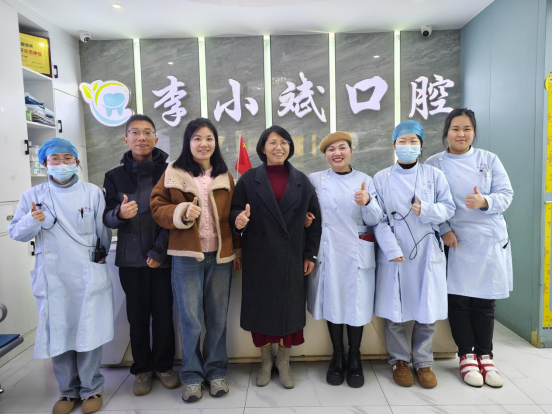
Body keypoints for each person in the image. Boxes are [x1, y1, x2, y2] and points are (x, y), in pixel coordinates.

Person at [8, 138, 113, 414]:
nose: (62, 163)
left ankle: (92, 389)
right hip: (53, 276)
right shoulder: (33, 195)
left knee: (88, 330)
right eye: (55, 158)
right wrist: (32, 220)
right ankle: (67, 392)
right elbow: (16, 233)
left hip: (85, 272)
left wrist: (100, 258)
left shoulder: (92, 193)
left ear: (77, 162)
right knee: (59, 331)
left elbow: (102, 231)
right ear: (45, 163)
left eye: (68, 158)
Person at [150, 118, 241, 403]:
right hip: (187, 257)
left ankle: (216, 371)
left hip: (220, 257)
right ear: (188, 142)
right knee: (190, 319)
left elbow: (234, 214)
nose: (204, 144)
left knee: (217, 317)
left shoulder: (225, 175)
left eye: (209, 138)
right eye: (197, 138)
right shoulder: (173, 172)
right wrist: (180, 212)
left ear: (216, 142)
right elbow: (156, 206)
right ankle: (191, 376)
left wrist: (237, 250)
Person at [426, 108, 513, 388]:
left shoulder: (489, 159)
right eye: (455, 129)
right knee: (459, 300)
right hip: (455, 240)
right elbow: (430, 203)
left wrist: (484, 201)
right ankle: (466, 356)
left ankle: (486, 356)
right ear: (446, 132)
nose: (461, 134)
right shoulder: (434, 163)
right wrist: (445, 229)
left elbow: (506, 194)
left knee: (485, 301)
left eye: (467, 129)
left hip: (487, 238)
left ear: (474, 132)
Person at [230, 125, 322, 389]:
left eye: (284, 142)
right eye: (272, 142)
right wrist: (239, 219)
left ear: (290, 147)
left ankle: (283, 361)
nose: (278, 147)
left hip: (292, 256)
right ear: (262, 148)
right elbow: (234, 210)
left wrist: (310, 254)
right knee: (261, 311)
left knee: (289, 312)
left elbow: (315, 219)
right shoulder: (249, 179)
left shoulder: (301, 180)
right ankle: (265, 361)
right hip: (259, 256)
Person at [373, 120, 455, 389]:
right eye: (402, 141)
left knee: (426, 307)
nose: (408, 146)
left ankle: (423, 361)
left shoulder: (434, 175)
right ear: (394, 145)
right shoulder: (381, 178)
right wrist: (390, 248)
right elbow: (378, 219)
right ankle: (399, 360)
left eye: (413, 141)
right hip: (395, 251)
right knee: (394, 310)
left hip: (426, 250)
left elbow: (449, 208)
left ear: (421, 145)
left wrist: (427, 210)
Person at [103, 114, 179, 396]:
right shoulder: (114, 176)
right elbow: (107, 217)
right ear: (126, 139)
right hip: (130, 259)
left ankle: (164, 366)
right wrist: (119, 213)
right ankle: (142, 369)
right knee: (136, 317)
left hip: (164, 256)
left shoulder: (171, 173)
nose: (141, 138)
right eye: (135, 132)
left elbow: (174, 215)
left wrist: (159, 250)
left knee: (163, 315)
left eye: (147, 132)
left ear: (156, 139)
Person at [306, 131, 383, 388]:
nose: (337, 153)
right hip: (329, 252)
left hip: (356, 252)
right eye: (331, 150)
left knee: (356, 303)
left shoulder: (365, 180)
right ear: (325, 155)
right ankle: (337, 355)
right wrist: (306, 218)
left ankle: (355, 356)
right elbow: (308, 212)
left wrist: (367, 202)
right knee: (333, 302)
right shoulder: (316, 180)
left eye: (342, 148)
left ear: (351, 151)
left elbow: (376, 219)